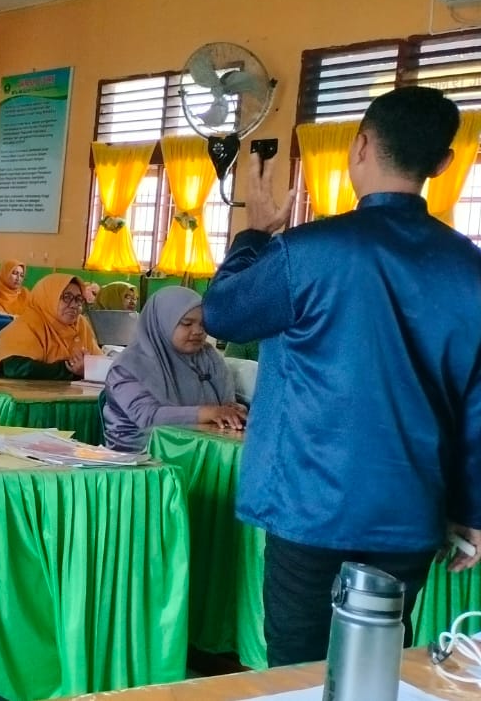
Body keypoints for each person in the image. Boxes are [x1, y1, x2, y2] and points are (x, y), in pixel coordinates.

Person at [202, 87, 481, 667]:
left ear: (359, 148)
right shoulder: (469, 268)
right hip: (409, 508)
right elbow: (477, 405)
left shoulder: (306, 251)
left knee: (298, 664)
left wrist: (254, 235)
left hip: (308, 502)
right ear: (443, 164)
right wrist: (472, 510)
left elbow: (223, 313)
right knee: (376, 659)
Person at [101, 286, 243, 452]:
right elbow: (148, 418)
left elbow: (226, 405)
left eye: (203, 325)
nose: (198, 331)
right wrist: (208, 413)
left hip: (202, 449)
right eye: (187, 323)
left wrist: (234, 412)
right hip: (142, 458)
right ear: (162, 323)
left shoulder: (209, 357)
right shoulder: (127, 367)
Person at [0, 274, 102, 380]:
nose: (74, 305)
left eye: (79, 299)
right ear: (48, 298)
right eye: (67, 297)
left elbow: (100, 365)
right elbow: (13, 368)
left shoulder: (81, 324)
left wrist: (87, 369)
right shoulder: (27, 324)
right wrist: (69, 369)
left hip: (66, 394)